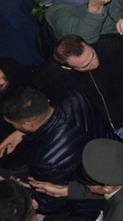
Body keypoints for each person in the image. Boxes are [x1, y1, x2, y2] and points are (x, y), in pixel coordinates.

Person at [39, 35, 123, 175]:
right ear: (66, 67)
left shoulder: (113, 45)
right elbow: (44, 103)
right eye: (85, 65)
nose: (94, 63)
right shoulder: (51, 74)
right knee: (118, 169)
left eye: (92, 54)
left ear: (86, 43)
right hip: (97, 132)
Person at [0, 86, 114, 219]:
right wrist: (21, 132)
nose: (14, 127)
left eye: (13, 124)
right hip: (114, 161)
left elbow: (51, 203)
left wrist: (18, 192)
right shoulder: (72, 96)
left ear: (28, 124)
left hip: (91, 206)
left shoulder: (45, 160)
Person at [50, 139, 123, 221]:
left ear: (108, 187)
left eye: (88, 186)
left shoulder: (118, 217)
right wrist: (65, 190)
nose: (88, 188)